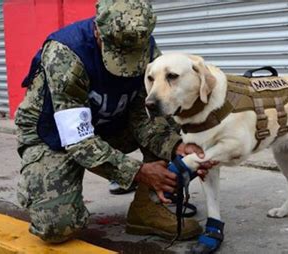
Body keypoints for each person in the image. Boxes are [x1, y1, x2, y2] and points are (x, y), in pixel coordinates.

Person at [15, 0, 213, 243]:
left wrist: (176, 146)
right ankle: (38, 183)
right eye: (119, 54)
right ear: (98, 31)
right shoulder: (66, 54)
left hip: (109, 126)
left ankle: (146, 209)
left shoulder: (145, 46)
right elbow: (78, 139)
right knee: (57, 227)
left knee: (169, 119)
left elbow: (144, 115)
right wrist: (137, 172)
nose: (128, 63)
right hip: (51, 136)